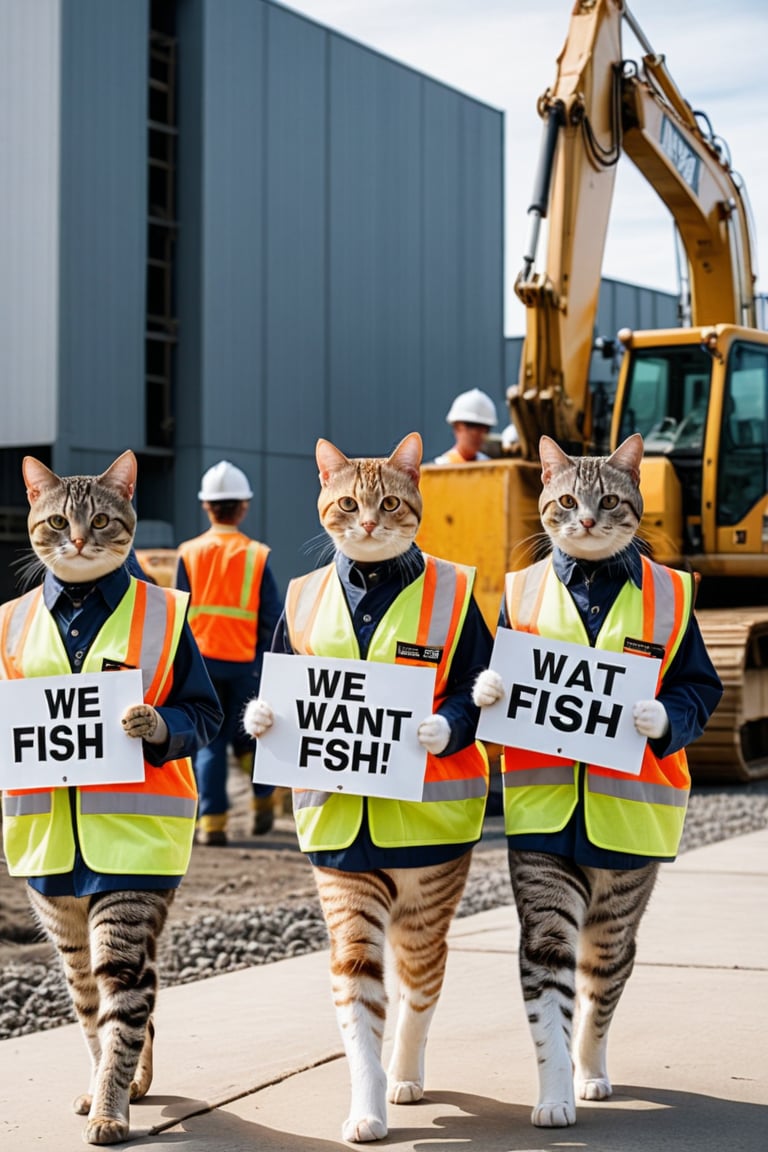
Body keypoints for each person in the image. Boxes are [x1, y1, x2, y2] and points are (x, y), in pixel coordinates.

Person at [175, 460, 284, 846]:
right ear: (243, 507)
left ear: (207, 506)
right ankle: (262, 802)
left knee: (209, 744)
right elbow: (273, 617)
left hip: (201, 667)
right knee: (252, 739)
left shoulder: (188, 553)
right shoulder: (257, 555)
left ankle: (214, 824)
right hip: (245, 667)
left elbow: (178, 618)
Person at [433, 387, 498, 463]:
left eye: (486, 428)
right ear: (457, 426)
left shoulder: (490, 466)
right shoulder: (440, 468)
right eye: (473, 425)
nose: (479, 434)